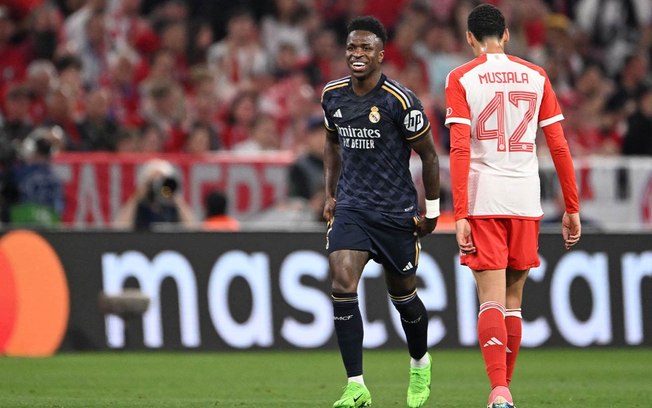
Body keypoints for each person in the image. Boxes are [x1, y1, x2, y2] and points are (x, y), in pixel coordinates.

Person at [444, 5, 582, 408]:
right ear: (506, 35)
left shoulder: (461, 77)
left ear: (470, 38)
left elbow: (458, 149)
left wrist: (461, 212)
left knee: (490, 298)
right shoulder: (536, 75)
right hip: (525, 198)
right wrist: (571, 206)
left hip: (484, 197)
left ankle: (499, 390)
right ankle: (504, 393)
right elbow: (558, 145)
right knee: (514, 299)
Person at [321, 16, 441, 408]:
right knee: (341, 282)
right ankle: (356, 386)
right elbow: (330, 142)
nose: (357, 54)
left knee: (403, 298)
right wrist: (330, 194)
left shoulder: (400, 101)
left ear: (381, 54)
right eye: (352, 47)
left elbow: (429, 156)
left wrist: (434, 213)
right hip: (353, 207)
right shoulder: (332, 95)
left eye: (365, 48)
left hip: (395, 213)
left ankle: (420, 363)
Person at [113, 159, 196, 230]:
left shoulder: (172, 206)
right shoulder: (139, 205)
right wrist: (137, 196)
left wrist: (172, 194)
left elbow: (192, 228)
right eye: (154, 182)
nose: (157, 186)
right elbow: (120, 227)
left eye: (161, 181)